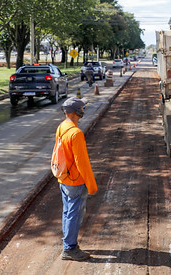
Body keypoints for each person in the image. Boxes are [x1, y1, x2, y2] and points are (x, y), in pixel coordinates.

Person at [56, 97, 97, 260]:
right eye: (82, 108)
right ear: (77, 112)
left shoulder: (62, 127)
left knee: (67, 212)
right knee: (74, 214)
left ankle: (68, 243)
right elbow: (82, 163)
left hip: (64, 179)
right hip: (75, 181)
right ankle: (70, 248)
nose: (84, 110)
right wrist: (91, 185)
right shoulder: (76, 133)